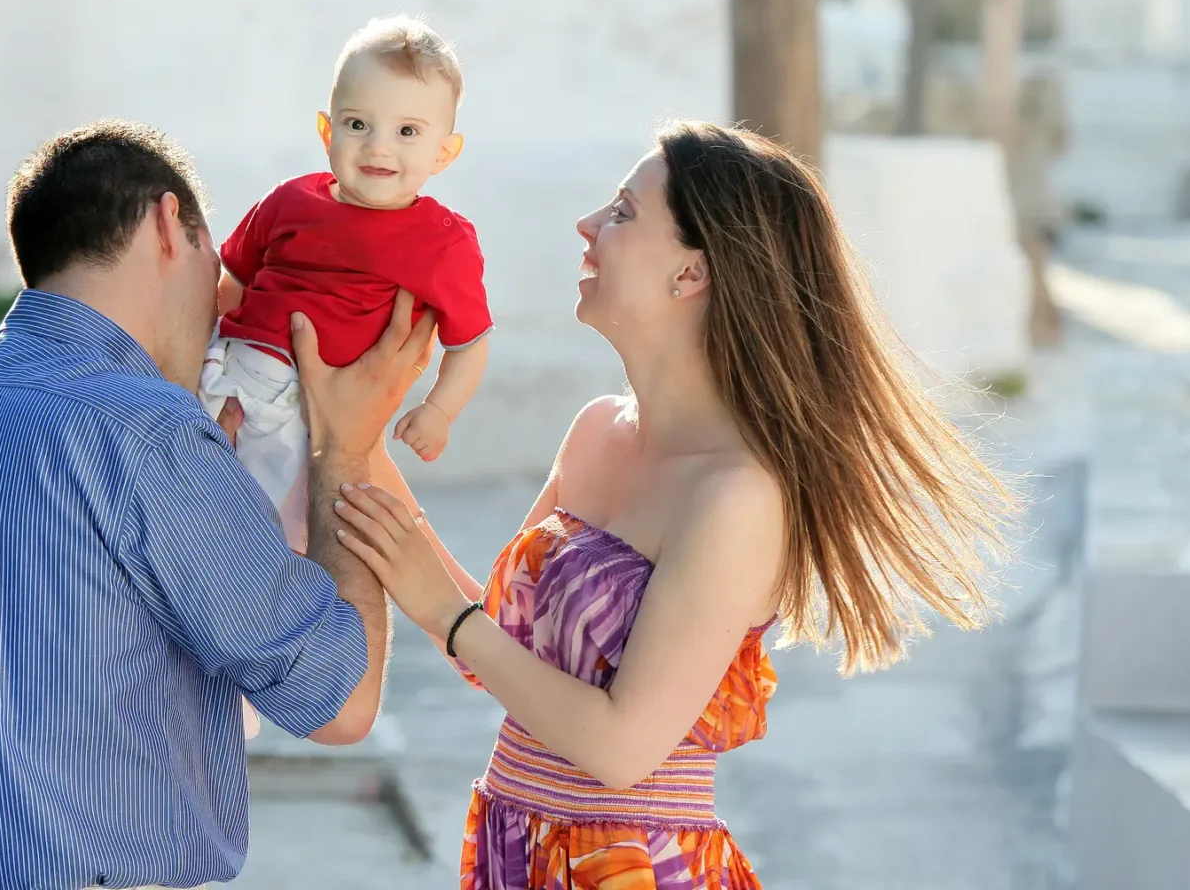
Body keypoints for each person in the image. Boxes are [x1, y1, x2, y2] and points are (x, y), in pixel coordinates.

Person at [320, 121, 1021, 889]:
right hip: (516, 847)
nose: (587, 226)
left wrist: (443, 615)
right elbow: (499, 654)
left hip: (635, 868)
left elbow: (623, 748)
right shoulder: (595, 431)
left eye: (621, 213)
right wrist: (355, 439)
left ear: (691, 274)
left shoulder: (737, 495)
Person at [0, 119, 431, 890]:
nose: (223, 302)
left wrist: (215, 496)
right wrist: (343, 451)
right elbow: (342, 701)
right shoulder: (146, 433)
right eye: (217, 260)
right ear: (166, 224)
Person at [201, 15, 491, 556]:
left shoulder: (441, 242)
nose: (379, 147)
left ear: (443, 154)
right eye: (358, 125)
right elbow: (233, 278)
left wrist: (438, 411)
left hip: (307, 416)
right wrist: (222, 348)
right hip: (228, 372)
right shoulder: (289, 200)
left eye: (407, 132)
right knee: (180, 502)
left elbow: (470, 341)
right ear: (327, 130)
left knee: (266, 541)